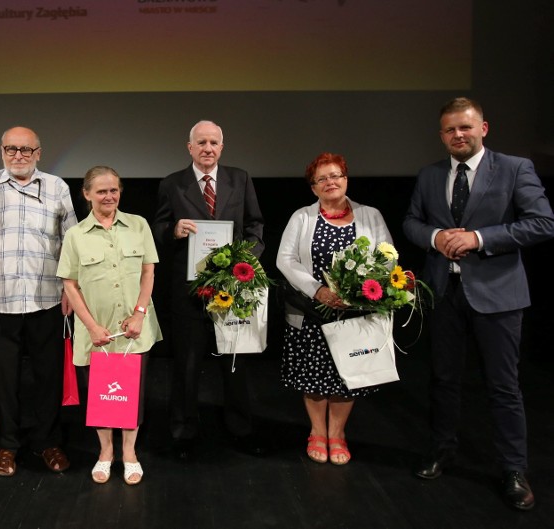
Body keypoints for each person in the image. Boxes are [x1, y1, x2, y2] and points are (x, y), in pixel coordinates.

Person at [403, 97, 554, 511]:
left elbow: (542, 222)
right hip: (444, 294)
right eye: (451, 130)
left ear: (483, 128)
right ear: (441, 135)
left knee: (504, 387)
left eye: (466, 128)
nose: (458, 135)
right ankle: (442, 449)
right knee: (443, 380)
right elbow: (412, 222)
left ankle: (513, 469)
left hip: (499, 296)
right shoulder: (430, 174)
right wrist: (436, 238)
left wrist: (478, 239)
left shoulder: (514, 168)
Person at [152, 120, 265, 460]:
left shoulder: (240, 179)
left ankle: (240, 429)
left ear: (222, 146)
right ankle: (183, 431)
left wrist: (243, 262)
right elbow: (156, 229)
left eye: (213, 142)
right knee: (186, 365)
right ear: (189, 147)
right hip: (188, 292)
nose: (207, 148)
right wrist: (173, 230)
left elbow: (255, 225)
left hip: (232, 289)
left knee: (234, 365)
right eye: (201, 142)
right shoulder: (172, 184)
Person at [0, 126, 78, 477]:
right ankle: (6, 445)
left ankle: (48, 441)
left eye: (26, 150)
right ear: (1, 150)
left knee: (48, 378)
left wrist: (69, 291)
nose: (19, 155)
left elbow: (71, 243)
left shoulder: (57, 187)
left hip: (47, 300)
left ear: (39, 153)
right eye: (12, 149)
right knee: (3, 381)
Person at [276, 153, 392, 465]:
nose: (330, 182)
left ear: (346, 179)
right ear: (313, 188)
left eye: (336, 175)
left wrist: (360, 291)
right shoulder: (302, 217)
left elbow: (387, 256)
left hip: (356, 311)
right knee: (313, 376)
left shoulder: (371, 215)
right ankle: (317, 431)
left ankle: (337, 433)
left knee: (347, 375)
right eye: (322, 179)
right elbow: (285, 259)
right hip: (314, 310)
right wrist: (319, 291)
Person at [57, 166, 162, 485]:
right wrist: (89, 326)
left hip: (134, 330)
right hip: (97, 334)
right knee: (101, 397)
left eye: (114, 190)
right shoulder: (75, 235)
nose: (109, 196)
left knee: (132, 395)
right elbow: (70, 285)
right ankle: (105, 453)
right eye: (101, 191)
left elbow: (148, 272)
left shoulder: (138, 225)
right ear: (87, 194)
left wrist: (140, 313)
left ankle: (129, 454)